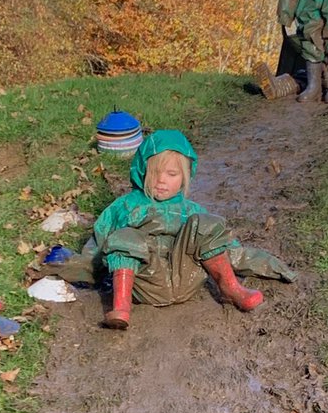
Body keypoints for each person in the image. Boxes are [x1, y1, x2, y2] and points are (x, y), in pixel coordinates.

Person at [93, 131, 287, 330]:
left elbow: (228, 247)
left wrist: (273, 267)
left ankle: (230, 288)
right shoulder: (125, 205)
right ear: (142, 170)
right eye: (155, 172)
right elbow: (97, 244)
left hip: (186, 276)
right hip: (145, 281)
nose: (161, 180)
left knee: (206, 223)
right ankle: (121, 306)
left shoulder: (191, 210)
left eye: (171, 174)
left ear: (185, 177)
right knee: (124, 236)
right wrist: (77, 268)